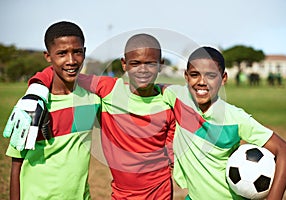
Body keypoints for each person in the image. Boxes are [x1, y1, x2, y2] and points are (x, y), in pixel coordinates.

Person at [23, 33, 175, 199]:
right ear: (124, 64)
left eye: (151, 63)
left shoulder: (169, 102)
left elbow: (171, 155)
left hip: (161, 192)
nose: (143, 70)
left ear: (161, 65)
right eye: (135, 63)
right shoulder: (109, 89)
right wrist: (35, 90)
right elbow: (62, 70)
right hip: (122, 194)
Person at [163, 46, 286, 200]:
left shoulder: (236, 118)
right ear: (186, 77)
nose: (201, 81)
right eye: (195, 75)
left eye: (211, 75)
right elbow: (146, 89)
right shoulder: (176, 97)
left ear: (223, 78)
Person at [4, 21, 101, 199]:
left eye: (77, 52)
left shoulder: (94, 100)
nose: (71, 60)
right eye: (62, 53)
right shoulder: (31, 107)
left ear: (85, 52)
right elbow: (16, 165)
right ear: (48, 56)